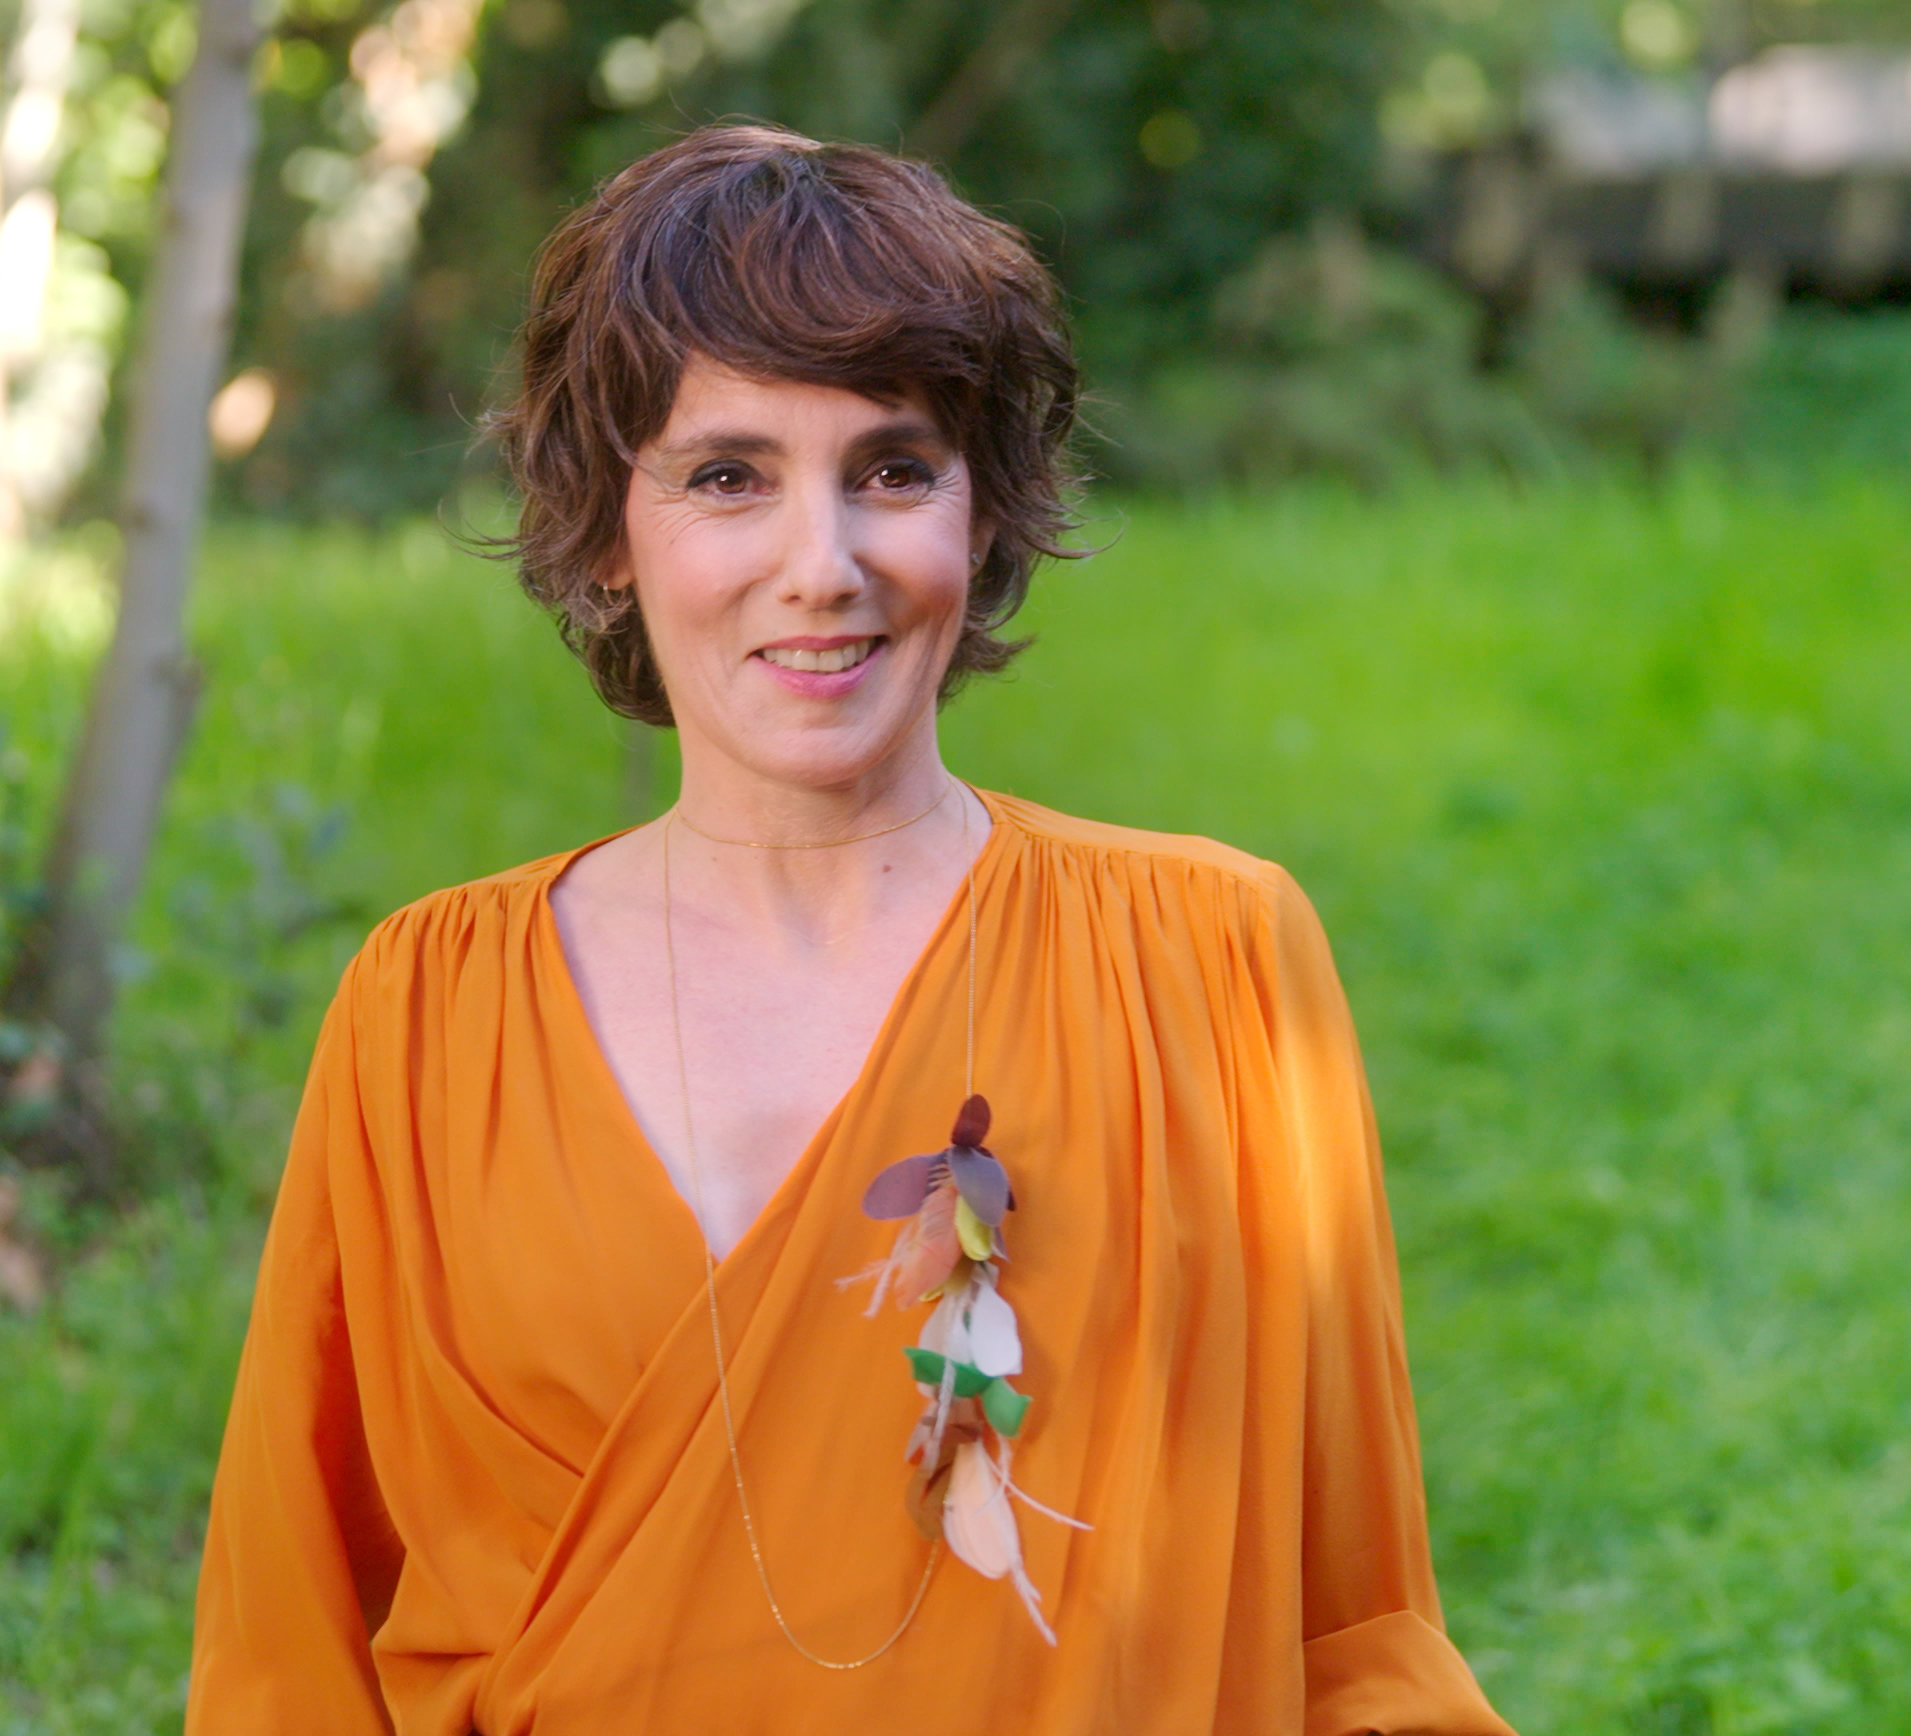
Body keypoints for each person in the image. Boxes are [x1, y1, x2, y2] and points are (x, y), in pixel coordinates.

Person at [186, 125, 1516, 1735]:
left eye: (893, 470)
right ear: (606, 528)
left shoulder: (1211, 957)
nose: (821, 567)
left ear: (985, 512)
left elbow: (1356, 1629)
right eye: (726, 477)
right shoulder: (426, 1010)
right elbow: (288, 1649)